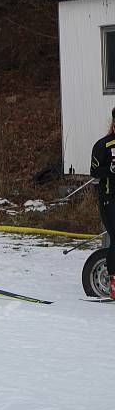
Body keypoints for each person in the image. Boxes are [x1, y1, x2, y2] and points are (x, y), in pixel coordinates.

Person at [89, 107, 115, 299]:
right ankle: (113, 282)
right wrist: (110, 168)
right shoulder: (103, 145)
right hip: (109, 199)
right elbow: (94, 172)